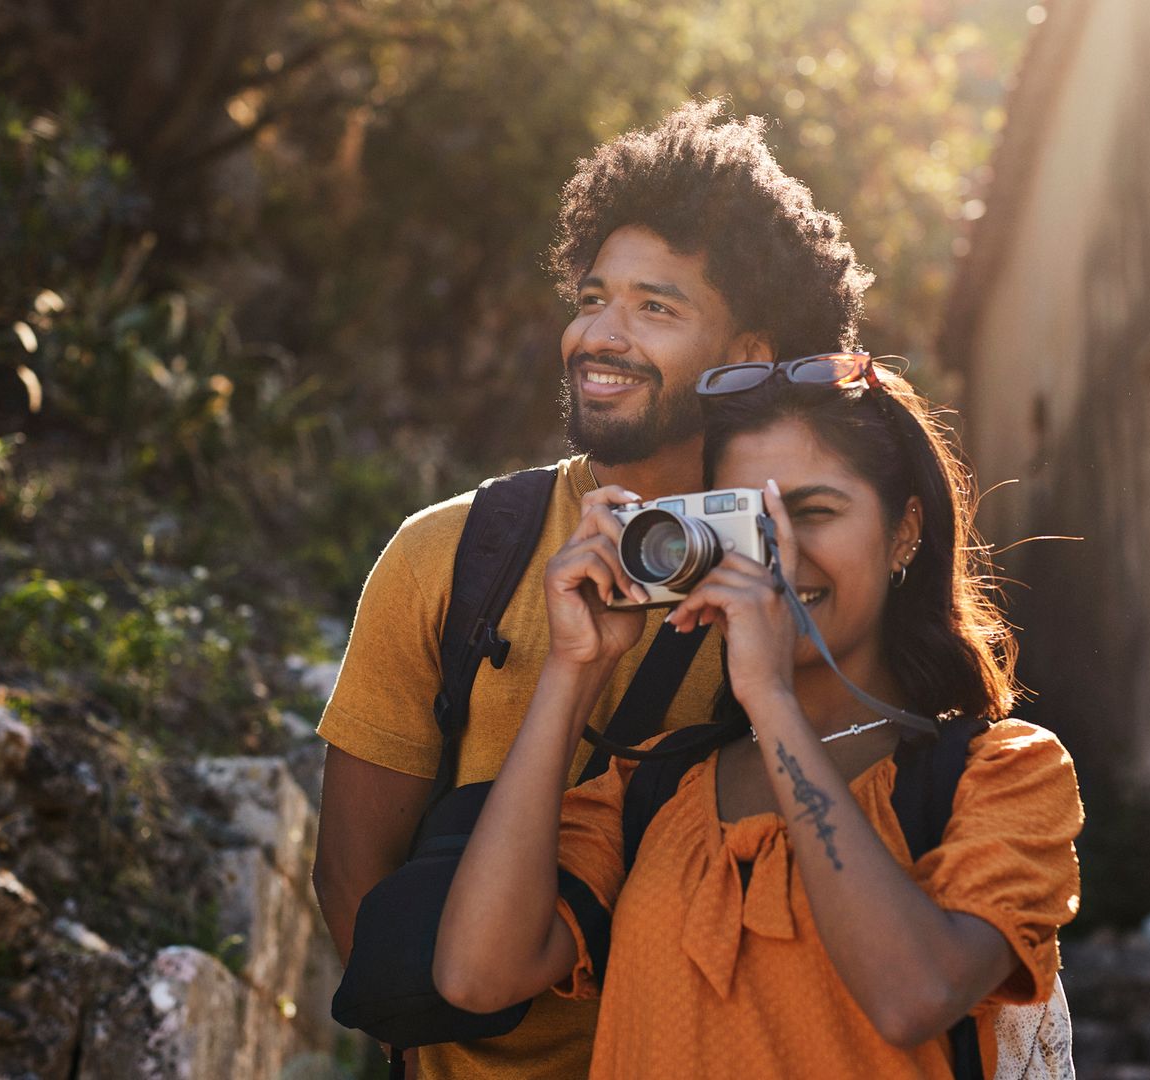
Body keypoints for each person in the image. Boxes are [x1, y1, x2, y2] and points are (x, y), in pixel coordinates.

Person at [312, 100, 873, 1079]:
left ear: (746, 356)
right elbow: (352, 878)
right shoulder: (444, 556)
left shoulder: (810, 579)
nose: (599, 337)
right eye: (590, 298)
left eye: (655, 307)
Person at [432, 355, 1084, 1078]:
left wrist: (770, 699)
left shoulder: (1003, 773)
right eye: (750, 524)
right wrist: (573, 667)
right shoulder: (653, 788)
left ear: (905, 531)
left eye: (812, 513)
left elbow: (914, 997)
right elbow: (476, 975)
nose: (778, 558)